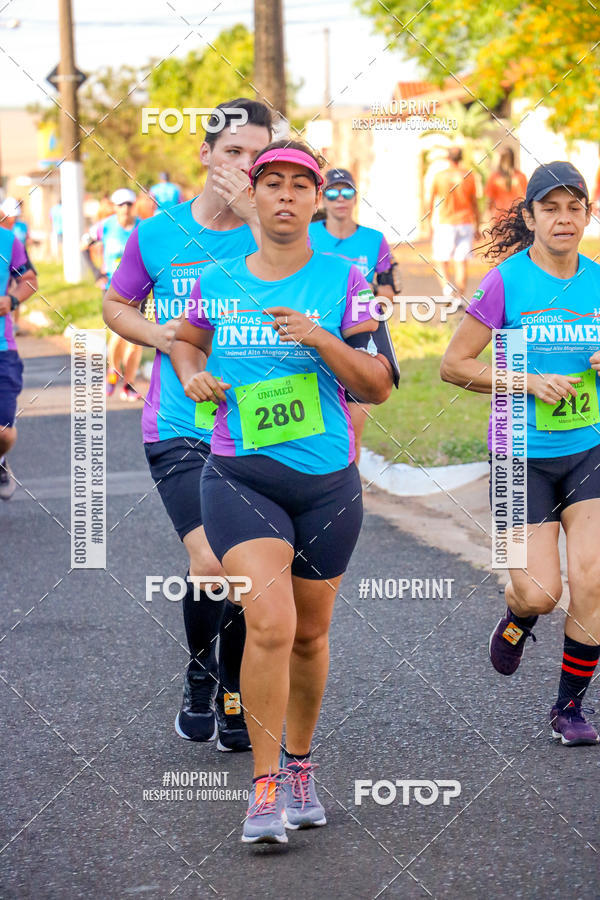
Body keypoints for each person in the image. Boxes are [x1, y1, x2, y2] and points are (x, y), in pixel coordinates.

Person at [171, 140, 398, 844]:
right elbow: (183, 338)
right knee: (269, 624)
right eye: (274, 183)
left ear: (315, 199)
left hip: (328, 483)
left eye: (302, 184)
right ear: (255, 194)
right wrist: (189, 373)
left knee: (310, 635)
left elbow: (380, 384)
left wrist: (325, 340)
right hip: (240, 475)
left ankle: (300, 765)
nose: (288, 195)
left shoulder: (347, 276)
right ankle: (264, 790)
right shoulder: (217, 279)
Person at [103, 98, 273, 753]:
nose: (244, 167)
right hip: (179, 425)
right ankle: (202, 678)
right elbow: (116, 302)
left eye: (258, 157)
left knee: (245, 571)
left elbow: (318, 291)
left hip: (257, 429)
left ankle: (231, 691)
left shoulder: (279, 239)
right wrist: (160, 335)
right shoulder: (158, 233)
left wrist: (263, 223)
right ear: (204, 155)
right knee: (210, 558)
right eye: (233, 153)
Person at [441, 161, 600, 746]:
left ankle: (569, 708)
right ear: (529, 216)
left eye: (574, 206)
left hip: (590, 447)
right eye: (550, 207)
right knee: (540, 590)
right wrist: (526, 380)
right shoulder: (503, 282)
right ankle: (519, 617)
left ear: (587, 214)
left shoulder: (599, 280)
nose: (564, 218)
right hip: (517, 455)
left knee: (596, 580)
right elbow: (453, 365)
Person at [308, 168, 401, 461]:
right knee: (312, 429)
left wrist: (365, 303)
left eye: (346, 192)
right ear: (322, 198)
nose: (340, 199)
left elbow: (388, 291)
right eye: (333, 193)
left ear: (355, 197)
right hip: (314, 334)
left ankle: (349, 498)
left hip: (360, 339)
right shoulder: (308, 234)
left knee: (351, 433)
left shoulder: (375, 240)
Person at [81, 188, 142, 401]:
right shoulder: (105, 226)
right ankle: (114, 372)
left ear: (133, 206)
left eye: (128, 204)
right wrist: (97, 272)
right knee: (118, 336)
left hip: (140, 290)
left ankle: (130, 384)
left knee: (136, 341)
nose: (125, 209)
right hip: (113, 290)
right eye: (120, 205)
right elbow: (83, 246)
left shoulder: (141, 227)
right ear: (115, 207)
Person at [0, 215, 38, 499]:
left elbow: (29, 280)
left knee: (4, 433)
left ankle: (0, 459)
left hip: (3, 348)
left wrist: (11, 300)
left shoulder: (8, 240)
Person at [426, 146, 481, 300]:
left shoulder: (439, 176)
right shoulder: (469, 175)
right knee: (461, 262)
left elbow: (430, 201)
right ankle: (459, 298)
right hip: (465, 222)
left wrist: (428, 223)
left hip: (446, 224)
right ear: (461, 158)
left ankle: (447, 290)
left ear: (448, 158)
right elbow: (474, 203)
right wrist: (477, 225)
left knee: (440, 260)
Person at [1, 198, 28, 333]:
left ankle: (15, 324)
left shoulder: (22, 226)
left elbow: (25, 244)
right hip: (5, 264)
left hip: (19, 264)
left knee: (17, 292)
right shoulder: (3, 226)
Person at [485, 147, 527, 222]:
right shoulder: (521, 177)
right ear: (513, 159)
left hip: (499, 219)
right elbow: (525, 199)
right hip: (516, 218)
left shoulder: (494, 178)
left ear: (500, 160)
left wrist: (489, 219)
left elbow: (489, 202)